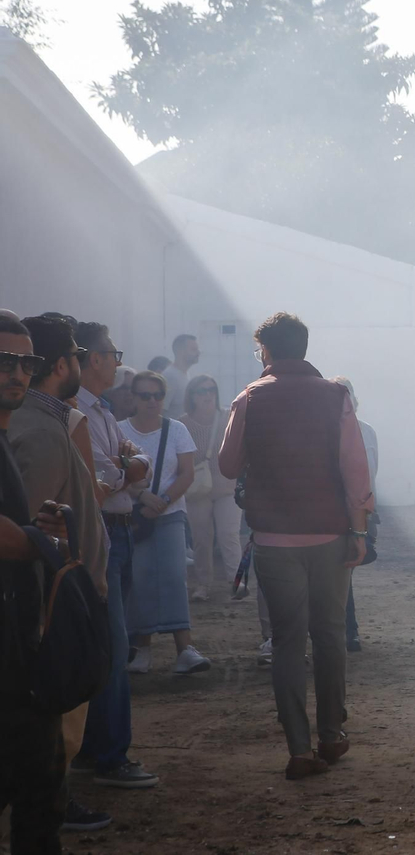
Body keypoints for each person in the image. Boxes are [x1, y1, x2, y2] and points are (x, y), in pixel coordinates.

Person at [216, 312, 372, 781]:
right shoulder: (335, 396)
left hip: (273, 538)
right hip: (329, 534)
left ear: (266, 350)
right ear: (303, 348)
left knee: (287, 642)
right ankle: (332, 733)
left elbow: (227, 466)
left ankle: (299, 748)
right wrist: (359, 531)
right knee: (329, 636)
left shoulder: (250, 397)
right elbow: (355, 470)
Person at [9, 316, 114, 832]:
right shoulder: (40, 430)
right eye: (77, 354)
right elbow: (27, 529)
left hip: (64, 596)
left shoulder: (47, 422)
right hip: (56, 605)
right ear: (62, 366)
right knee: (57, 733)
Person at [70, 321, 160, 792]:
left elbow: (134, 471)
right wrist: (129, 466)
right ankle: (109, 754)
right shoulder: (76, 412)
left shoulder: (100, 408)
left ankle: (91, 748)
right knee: (111, 648)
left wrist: (128, 467)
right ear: (91, 359)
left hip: (118, 529)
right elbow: (106, 479)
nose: (117, 360)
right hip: (103, 530)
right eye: (111, 352)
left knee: (108, 645)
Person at [0, 313, 74, 851]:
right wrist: (41, 544)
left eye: (27, 363)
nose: (18, 374)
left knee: (40, 785)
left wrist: (35, 529)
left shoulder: (6, 432)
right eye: (6, 362)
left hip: (18, 642)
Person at [117, 371, 210, 677]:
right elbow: (112, 471)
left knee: (173, 576)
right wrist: (143, 497)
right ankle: (142, 649)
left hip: (170, 514)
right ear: (133, 397)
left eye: (157, 395)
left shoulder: (177, 429)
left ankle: (184, 648)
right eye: (145, 395)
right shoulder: (119, 431)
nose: (152, 401)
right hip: (133, 515)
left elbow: (186, 473)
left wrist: (164, 501)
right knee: (141, 579)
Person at [179, 374, 239, 603]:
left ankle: (236, 582)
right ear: (192, 396)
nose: (207, 395)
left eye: (211, 390)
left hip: (227, 486)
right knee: (201, 539)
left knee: (229, 535)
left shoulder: (227, 417)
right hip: (197, 488)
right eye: (202, 391)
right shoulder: (183, 423)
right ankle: (203, 584)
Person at [331, 377, 377, 652]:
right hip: (336, 511)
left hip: (354, 510)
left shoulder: (367, 431)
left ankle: (348, 631)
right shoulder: (326, 431)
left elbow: (371, 474)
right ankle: (347, 632)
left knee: (342, 575)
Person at [162, 335, 199, 416]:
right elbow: (160, 411)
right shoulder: (169, 377)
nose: (198, 353)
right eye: (193, 349)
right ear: (180, 351)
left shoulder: (187, 374)